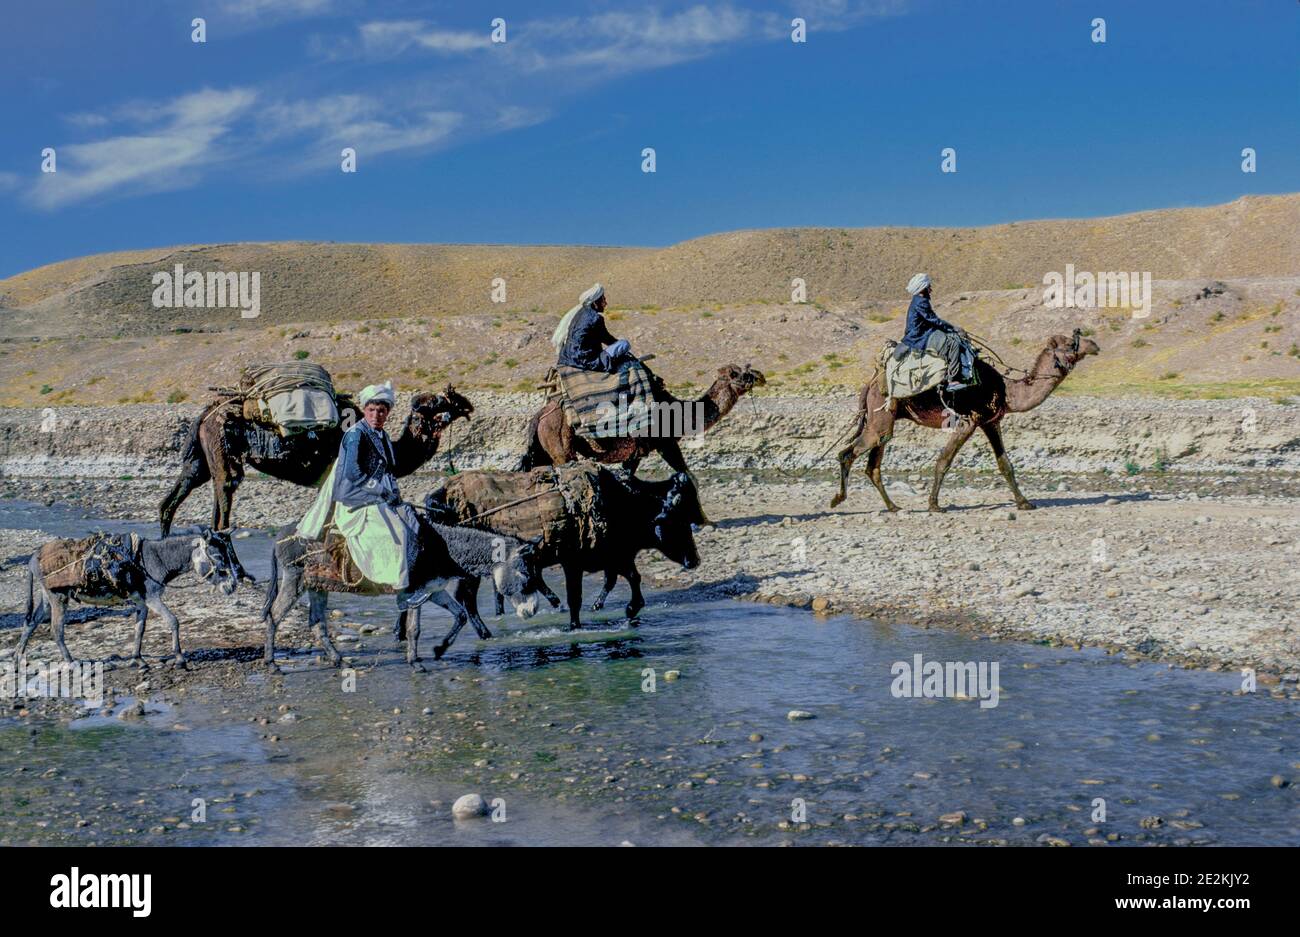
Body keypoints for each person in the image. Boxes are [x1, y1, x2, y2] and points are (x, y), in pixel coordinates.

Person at [295, 380, 421, 590]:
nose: (376, 415)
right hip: (355, 499)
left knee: (413, 521)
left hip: (375, 495)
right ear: (364, 410)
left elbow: (388, 470)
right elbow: (353, 473)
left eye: (381, 411)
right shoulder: (355, 435)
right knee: (398, 531)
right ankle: (399, 585)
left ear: (387, 413)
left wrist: (395, 494)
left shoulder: (383, 437)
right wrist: (382, 492)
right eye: (371, 410)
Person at [897, 273, 973, 390]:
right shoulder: (921, 302)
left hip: (922, 333)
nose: (931, 290)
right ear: (923, 288)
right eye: (929, 287)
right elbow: (934, 320)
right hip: (920, 337)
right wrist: (951, 328)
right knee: (953, 343)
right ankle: (952, 380)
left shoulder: (917, 300)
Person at [551, 283, 634, 372]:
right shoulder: (595, 318)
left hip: (567, 357)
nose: (605, 303)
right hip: (584, 361)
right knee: (624, 343)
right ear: (595, 303)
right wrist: (619, 345)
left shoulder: (579, 313)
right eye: (603, 300)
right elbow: (607, 339)